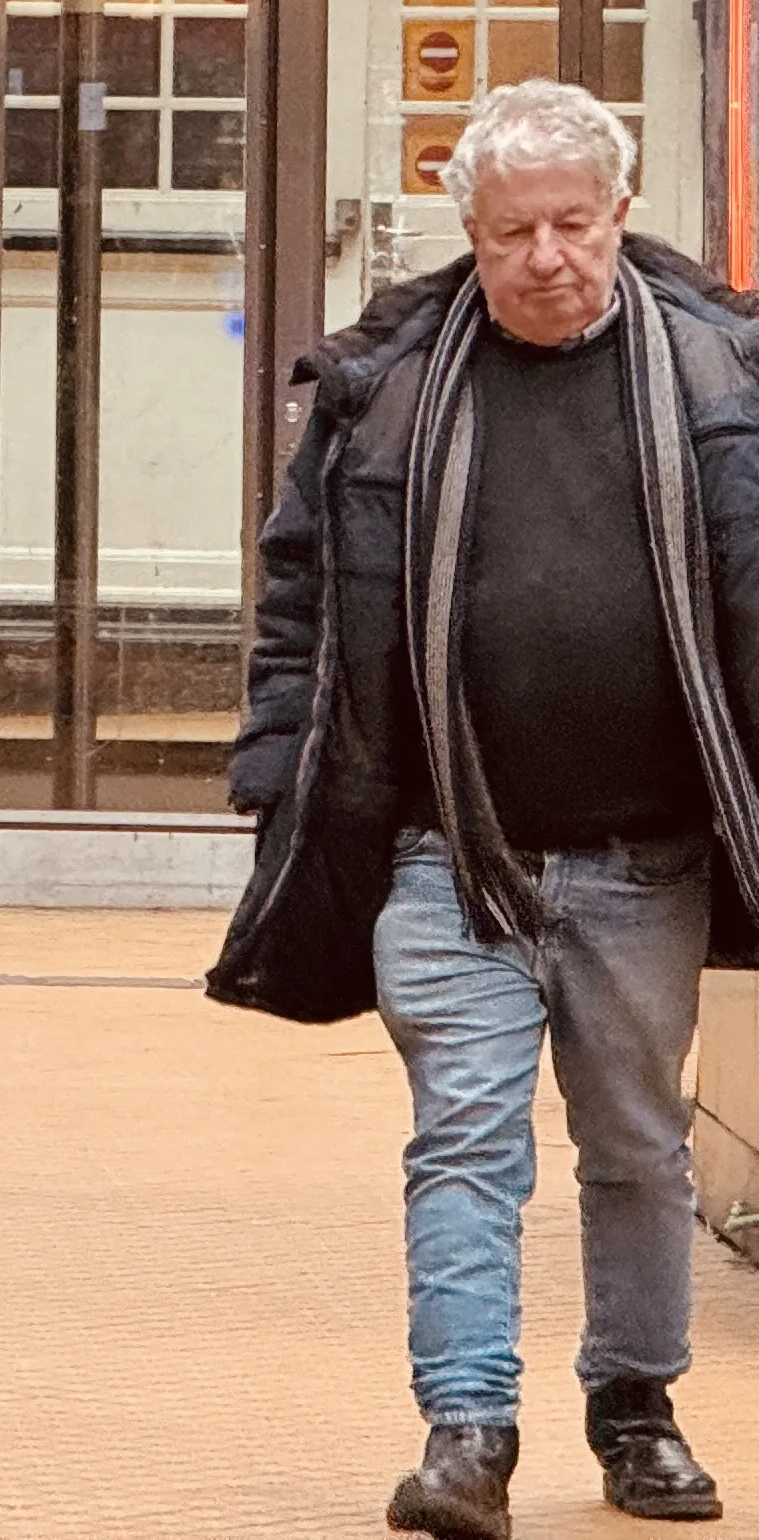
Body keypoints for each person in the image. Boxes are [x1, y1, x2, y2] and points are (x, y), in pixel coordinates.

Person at [213, 80, 759, 1538]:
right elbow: (300, 607)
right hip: (446, 852)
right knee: (464, 1133)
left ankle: (635, 1409)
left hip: (645, 859)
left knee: (637, 1143)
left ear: (622, 216)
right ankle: (468, 1429)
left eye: (575, 224)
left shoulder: (721, 378)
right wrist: (279, 779)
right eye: (515, 230)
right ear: (471, 232)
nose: (548, 256)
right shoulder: (385, 387)